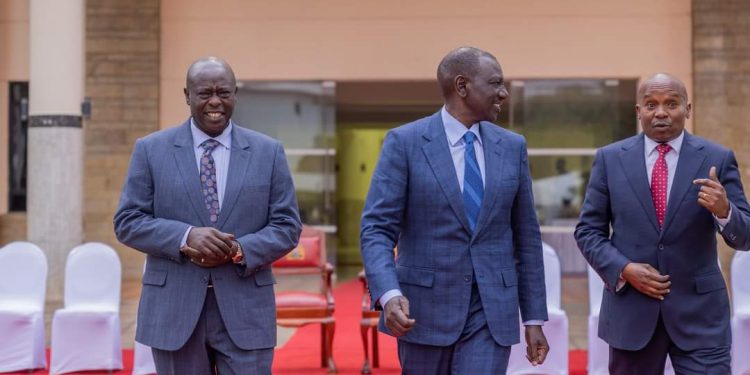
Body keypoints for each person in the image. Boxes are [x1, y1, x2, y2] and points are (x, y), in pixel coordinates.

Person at [360, 46, 549, 374]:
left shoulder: (512, 147)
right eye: (495, 83)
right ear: (462, 86)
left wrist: (533, 317)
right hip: (423, 312)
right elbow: (377, 228)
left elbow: (527, 237)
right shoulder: (405, 143)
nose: (503, 93)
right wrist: (389, 294)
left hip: (490, 314)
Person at [114, 56, 301, 374]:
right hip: (174, 310)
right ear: (187, 95)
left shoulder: (268, 152)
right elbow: (128, 220)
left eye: (223, 92)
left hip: (245, 311)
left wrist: (240, 249)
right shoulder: (151, 150)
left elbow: (287, 226)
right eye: (204, 93)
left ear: (235, 94)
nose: (215, 101)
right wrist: (186, 237)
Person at [575, 73, 750, 374]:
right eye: (651, 104)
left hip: (701, 317)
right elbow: (588, 231)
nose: (661, 112)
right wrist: (625, 269)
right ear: (638, 111)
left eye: (671, 103)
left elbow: (745, 236)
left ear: (688, 109)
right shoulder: (610, 159)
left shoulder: (717, 159)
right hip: (632, 314)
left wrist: (725, 211)